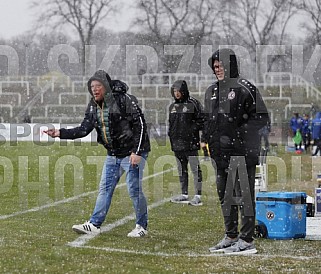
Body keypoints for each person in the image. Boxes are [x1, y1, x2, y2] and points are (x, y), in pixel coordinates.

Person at [44, 70, 150, 237]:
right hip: (113, 154)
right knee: (105, 189)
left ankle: (141, 226)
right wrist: (60, 133)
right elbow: (84, 129)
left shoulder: (124, 99)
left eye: (98, 86)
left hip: (133, 152)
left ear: (106, 86)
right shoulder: (93, 105)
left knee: (133, 189)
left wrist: (136, 152)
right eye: (92, 86)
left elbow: (141, 126)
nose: (95, 89)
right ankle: (94, 224)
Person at [202, 48, 269, 254]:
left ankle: (247, 240)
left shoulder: (245, 88)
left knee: (244, 196)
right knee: (225, 195)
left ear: (230, 65)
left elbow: (262, 118)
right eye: (214, 67)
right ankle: (230, 236)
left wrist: (239, 137)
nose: (217, 69)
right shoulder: (211, 91)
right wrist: (207, 141)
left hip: (241, 153)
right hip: (219, 155)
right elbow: (209, 121)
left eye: (220, 65)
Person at [168, 80, 204, 206]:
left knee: (195, 169)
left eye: (178, 91)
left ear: (184, 91)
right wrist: (171, 136)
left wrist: (190, 130)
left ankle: (198, 195)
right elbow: (171, 124)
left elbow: (202, 120)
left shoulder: (193, 103)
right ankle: (184, 194)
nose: (176, 93)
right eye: (175, 91)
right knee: (181, 169)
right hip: (176, 144)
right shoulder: (172, 107)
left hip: (190, 143)